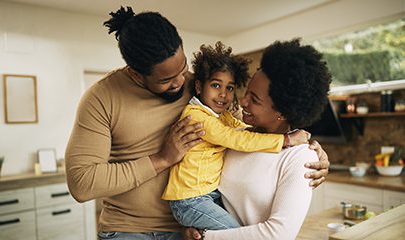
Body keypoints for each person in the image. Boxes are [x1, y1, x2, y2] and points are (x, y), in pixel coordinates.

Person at [64, 6, 329, 240]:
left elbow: (247, 125)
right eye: (167, 80)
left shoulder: (202, 87)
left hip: (190, 228)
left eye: (183, 69)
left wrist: (309, 151)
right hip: (128, 230)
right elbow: (81, 183)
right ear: (136, 74)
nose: (181, 82)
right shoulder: (100, 98)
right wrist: (162, 159)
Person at [184, 38, 332, 240]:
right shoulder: (234, 136)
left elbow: (278, 234)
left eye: (254, 99)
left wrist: (206, 237)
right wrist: (193, 225)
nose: (242, 102)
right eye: (246, 92)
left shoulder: (300, 158)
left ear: (283, 112)